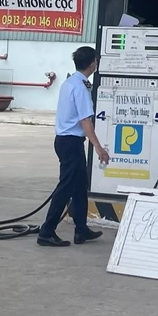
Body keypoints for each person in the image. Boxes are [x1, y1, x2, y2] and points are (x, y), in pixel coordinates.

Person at [38, 46, 111, 247]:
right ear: (93, 64)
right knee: (65, 188)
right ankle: (46, 232)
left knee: (79, 187)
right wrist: (99, 148)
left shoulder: (70, 82)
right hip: (71, 142)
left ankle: (81, 230)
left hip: (65, 141)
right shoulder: (80, 87)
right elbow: (85, 121)